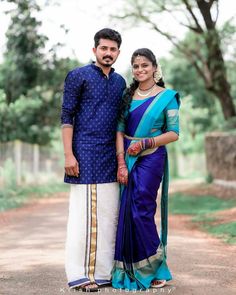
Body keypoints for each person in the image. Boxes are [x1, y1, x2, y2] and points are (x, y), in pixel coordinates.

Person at [61, 28, 126, 292]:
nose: (108, 53)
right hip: (85, 156)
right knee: (84, 217)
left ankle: (102, 273)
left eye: (112, 49)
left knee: (108, 217)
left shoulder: (121, 82)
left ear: (118, 52)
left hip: (110, 158)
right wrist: (68, 154)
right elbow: (67, 116)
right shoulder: (78, 76)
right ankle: (80, 274)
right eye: (104, 48)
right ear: (94, 50)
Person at [111, 48, 180, 290]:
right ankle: (129, 267)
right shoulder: (127, 97)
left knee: (142, 207)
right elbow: (119, 131)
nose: (140, 70)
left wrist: (147, 142)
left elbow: (173, 133)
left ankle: (156, 267)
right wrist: (120, 163)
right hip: (127, 157)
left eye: (144, 65)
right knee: (126, 211)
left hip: (151, 157)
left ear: (154, 67)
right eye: (136, 66)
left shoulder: (167, 97)